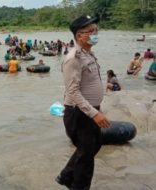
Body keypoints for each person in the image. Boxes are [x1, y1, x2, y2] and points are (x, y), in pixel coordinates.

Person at [56, 15, 110, 190]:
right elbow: (73, 91)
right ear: (80, 36)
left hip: (89, 110)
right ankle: (78, 186)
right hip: (80, 112)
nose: (95, 34)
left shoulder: (87, 53)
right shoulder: (74, 58)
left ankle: (66, 175)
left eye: (96, 30)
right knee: (87, 158)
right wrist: (94, 113)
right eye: (91, 31)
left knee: (94, 145)